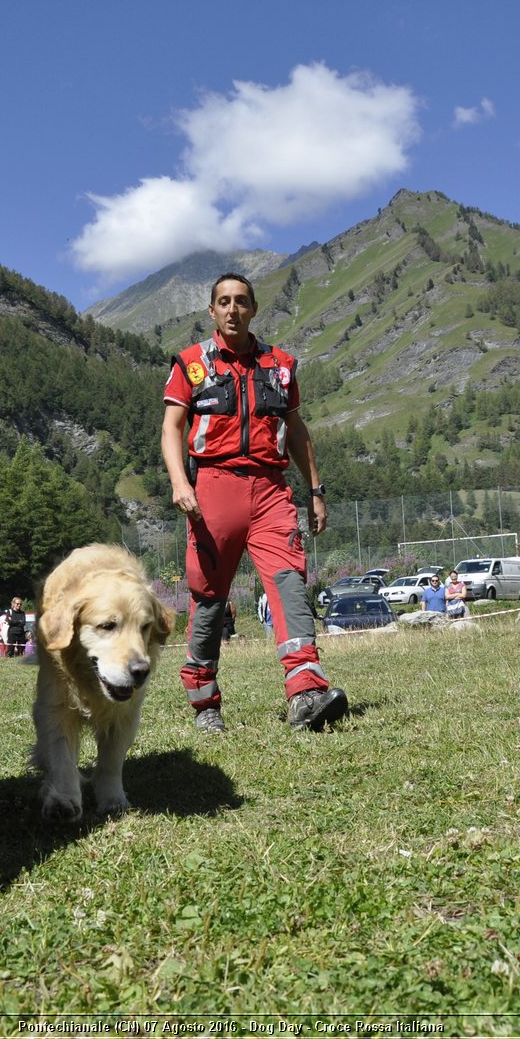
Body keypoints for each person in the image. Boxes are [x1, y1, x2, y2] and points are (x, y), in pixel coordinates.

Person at [162, 273, 345, 735]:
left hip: (270, 491)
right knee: (209, 599)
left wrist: (316, 491)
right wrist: (180, 482)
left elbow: (298, 432)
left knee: (288, 585)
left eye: (240, 301)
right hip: (212, 491)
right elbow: (172, 429)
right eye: (223, 301)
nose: (232, 309)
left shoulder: (280, 364)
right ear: (211, 311)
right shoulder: (191, 363)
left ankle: (306, 693)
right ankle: (204, 702)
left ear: (254, 308)